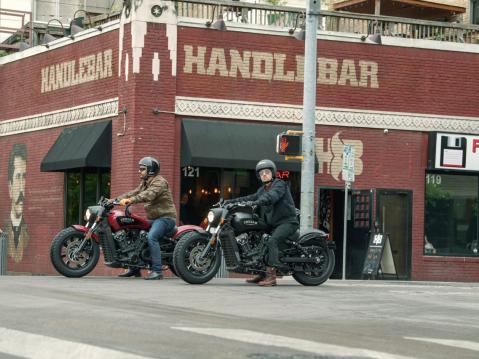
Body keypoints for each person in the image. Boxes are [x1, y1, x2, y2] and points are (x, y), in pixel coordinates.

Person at [224, 159, 299, 286]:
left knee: (272, 241)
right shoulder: (262, 190)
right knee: (258, 240)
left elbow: (272, 196)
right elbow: (250, 197)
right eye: (261, 173)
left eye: (267, 172)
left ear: (272, 173)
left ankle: (271, 277)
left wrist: (257, 202)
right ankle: (262, 272)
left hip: (287, 222)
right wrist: (231, 202)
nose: (264, 174)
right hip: (272, 224)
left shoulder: (279, 184)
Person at [114, 157, 177, 280]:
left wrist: (131, 200)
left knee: (151, 237)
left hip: (166, 218)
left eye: (142, 169)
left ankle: (157, 271)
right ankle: (134, 268)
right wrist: (113, 200)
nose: (139, 171)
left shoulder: (160, 182)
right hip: (154, 219)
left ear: (151, 170)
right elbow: (134, 193)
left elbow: (148, 195)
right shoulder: (145, 183)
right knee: (134, 232)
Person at [3, 143, 29, 263]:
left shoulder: (27, 230)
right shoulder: (4, 229)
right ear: (9, 187)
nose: (22, 187)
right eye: (18, 177)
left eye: (24, 177)